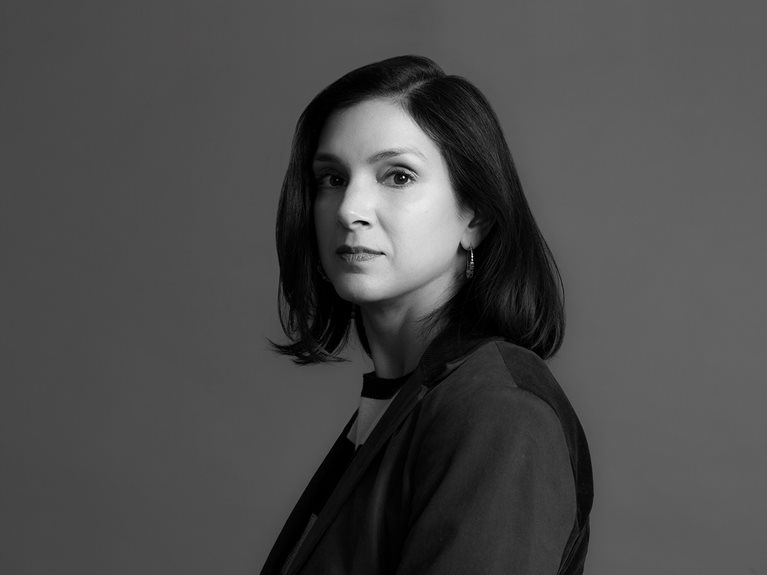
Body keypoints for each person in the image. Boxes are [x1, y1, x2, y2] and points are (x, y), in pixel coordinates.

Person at [262, 55, 593, 575]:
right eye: (332, 178)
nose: (350, 209)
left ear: (474, 217)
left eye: (398, 176)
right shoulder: (405, 403)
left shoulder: (498, 412)